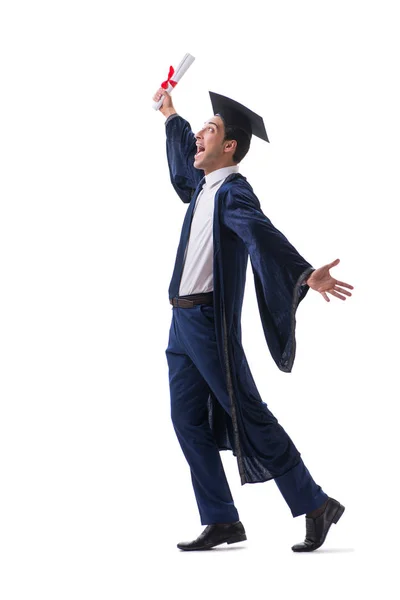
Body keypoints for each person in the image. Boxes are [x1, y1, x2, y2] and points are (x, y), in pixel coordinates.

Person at [152, 86, 353, 552]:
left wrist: (303, 275)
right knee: (186, 419)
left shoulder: (234, 193)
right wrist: (170, 116)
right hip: (180, 326)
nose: (198, 134)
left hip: (207, 323)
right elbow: (184, 167)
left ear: (230, 148)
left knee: (248, 412)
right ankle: (221, 519)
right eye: (201, 127)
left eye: (210, 129)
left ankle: (315, 503)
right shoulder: (204, 187)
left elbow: (262, 234)